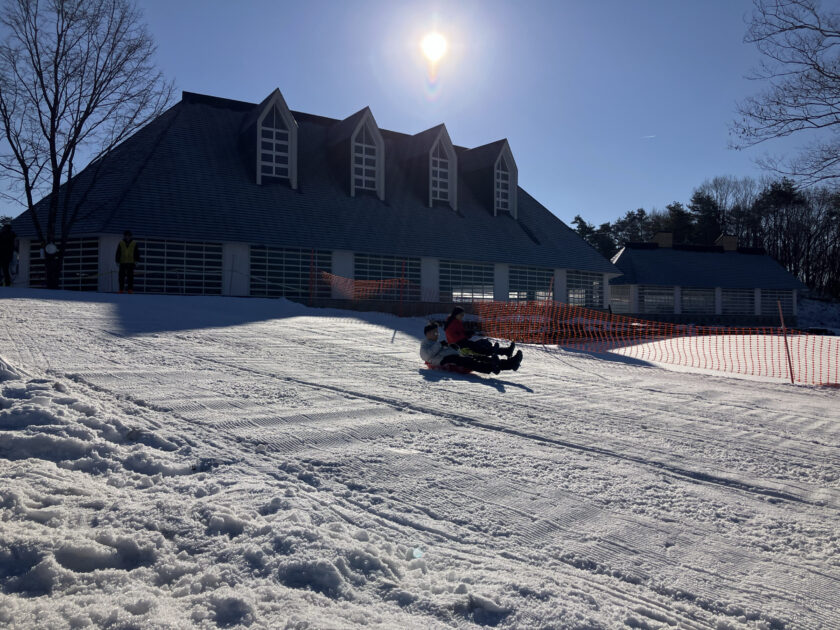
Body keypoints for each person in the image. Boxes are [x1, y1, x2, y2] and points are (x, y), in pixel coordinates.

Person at [421, 322, 522, 375]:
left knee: (478, 357)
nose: (437, 334)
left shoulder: (435, 343)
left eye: (437, 332)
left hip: (452, 356)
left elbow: (443, 350)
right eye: (435, 333)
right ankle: (492, 367)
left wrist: (452, 347)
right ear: (428, 334)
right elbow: (427, 356)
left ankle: (510, 364)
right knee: (470, 362)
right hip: (444, 361)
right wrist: (440, 345)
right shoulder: (424, 345)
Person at [444, 306, 516, 357]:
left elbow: (460, 333)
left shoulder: (457, 322)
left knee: (481, 345)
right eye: (461, 315)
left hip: (462, 342)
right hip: (457, 346)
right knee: (479, 348)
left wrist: (468, 333)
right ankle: (502, 351)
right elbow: (453, 337)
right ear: (456, 314)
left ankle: (506, 351)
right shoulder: (451, 323)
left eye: (463, 315)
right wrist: (466, 334)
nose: (462, 316)